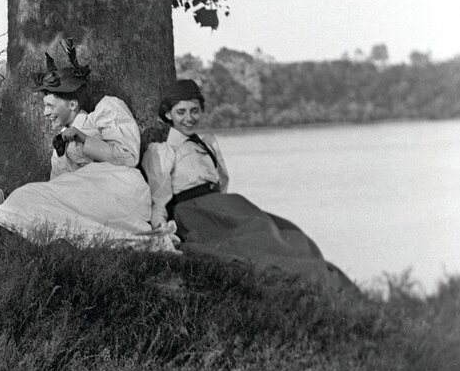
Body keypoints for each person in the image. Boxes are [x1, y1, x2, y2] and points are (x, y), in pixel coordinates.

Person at [142, 78, 359, 294]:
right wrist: (162, 232)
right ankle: (302, 279)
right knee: (254, 245)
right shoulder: (162, 152)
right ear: (169, 114)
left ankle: (319, 277)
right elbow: (159, 199)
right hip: (196, 213)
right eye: (181, 112)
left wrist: (226, 210)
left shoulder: (207, 143)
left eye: (194, 111)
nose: (189, 118)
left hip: (226, 207)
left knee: (286, 233)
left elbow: (221, 181)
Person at [0, 44, 172, 250]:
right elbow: (59, 187)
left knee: (25, 197)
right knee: (27, 197)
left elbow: (128, 157)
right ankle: (52, 240)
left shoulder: (104, 112)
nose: (45, 113)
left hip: (118, 188)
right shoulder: (61, 141)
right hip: (85, 195)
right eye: (44, 106)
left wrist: (84, 138)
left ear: (73, 104)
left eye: (50, 106)